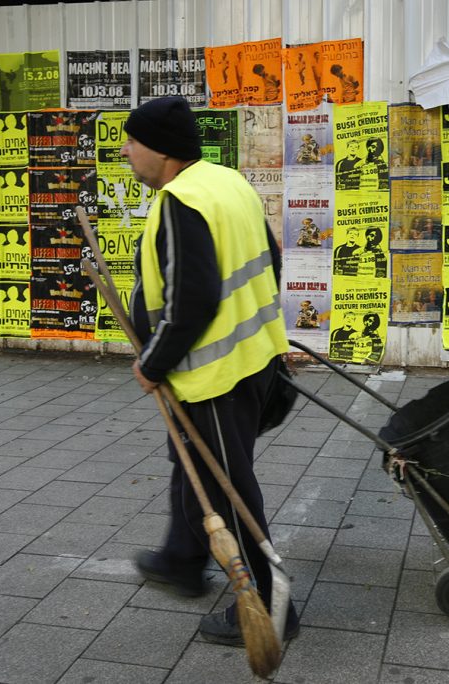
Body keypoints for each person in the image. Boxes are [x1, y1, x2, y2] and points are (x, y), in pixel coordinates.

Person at [119, 96, 299, 645]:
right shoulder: (227, 181)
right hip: (255, 359)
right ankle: (181, 558)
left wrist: (153, 363)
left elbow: (189, 301)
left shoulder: (181, 200)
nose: (126, 151)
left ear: (162, 150)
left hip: (218, 375)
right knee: (191, 458)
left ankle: (271, 608)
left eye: (132, 141)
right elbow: (271, 256)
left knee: (227, 487)